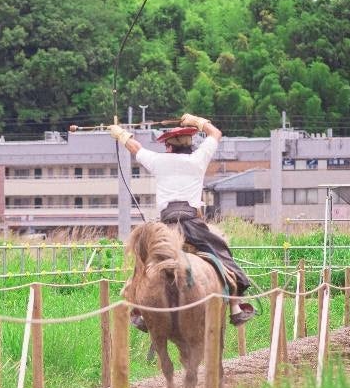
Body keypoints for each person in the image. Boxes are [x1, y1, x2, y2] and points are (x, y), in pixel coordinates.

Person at [109, 113, 255, 327]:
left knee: (143, 260)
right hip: (193, 224)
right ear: (189, 145)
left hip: (165, 227)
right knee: (221, 252)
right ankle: (235, 305)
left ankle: (139, 308)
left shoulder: (159, 161)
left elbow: (135, 148)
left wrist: (120, 134)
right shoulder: (198, 159)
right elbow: (216, 133)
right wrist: (195, 121)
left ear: (168, 147)